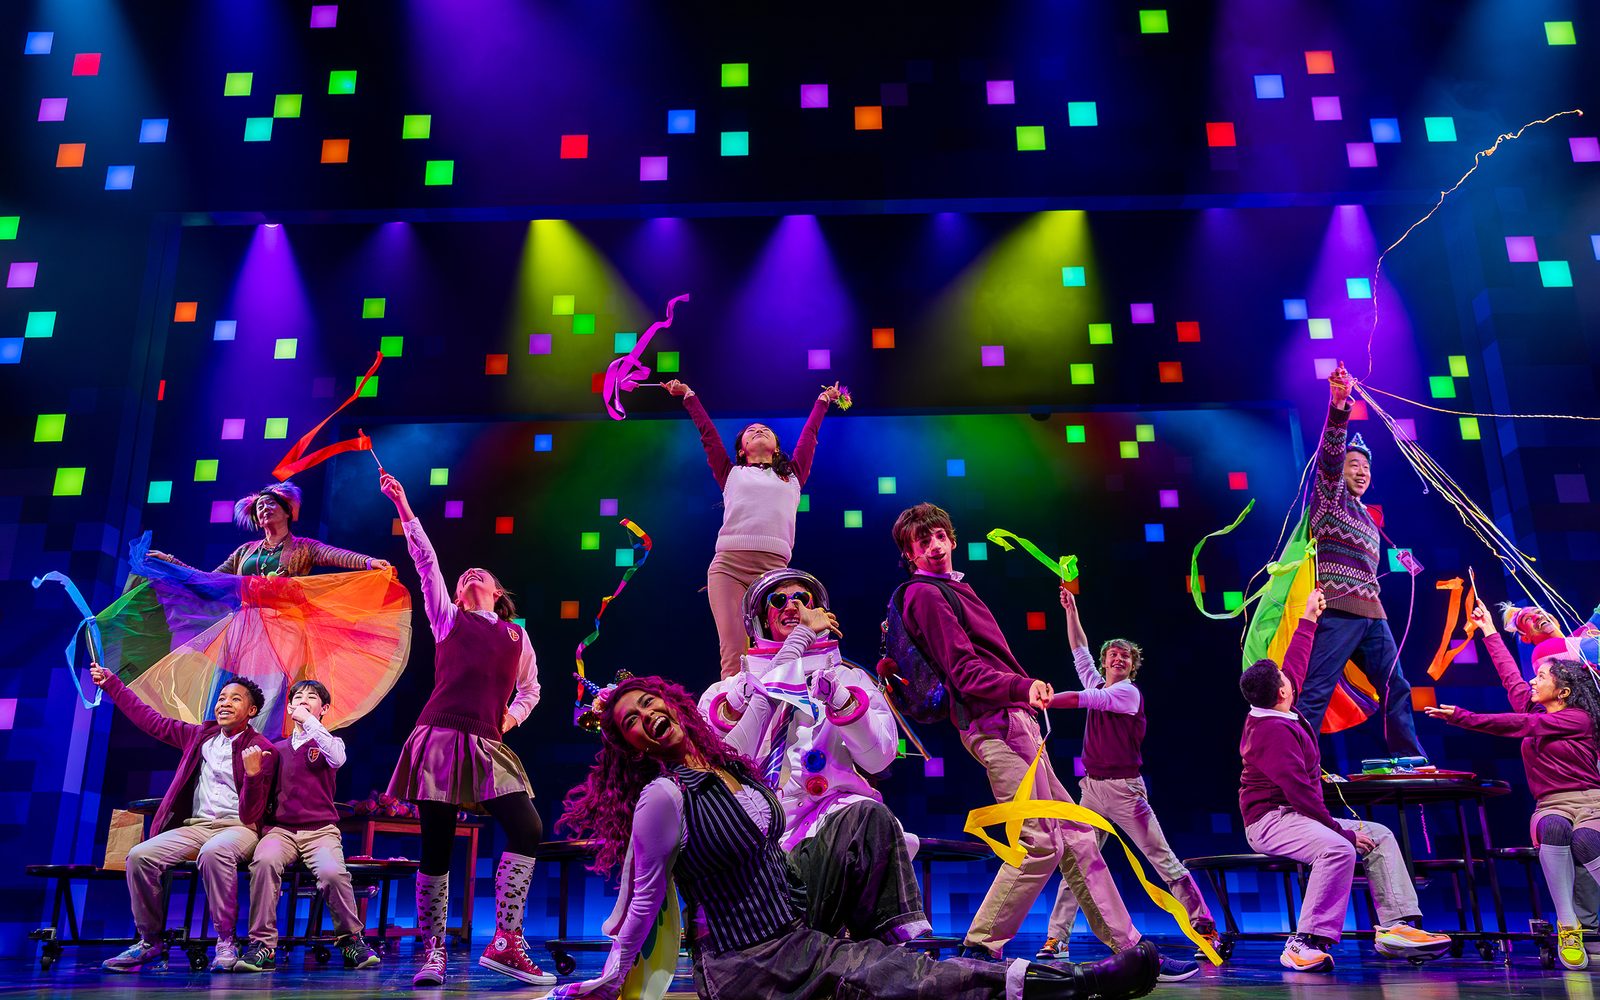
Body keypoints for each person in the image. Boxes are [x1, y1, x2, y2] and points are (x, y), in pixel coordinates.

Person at [549, 675, 1162, 1000]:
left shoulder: (728, 762)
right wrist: (613, 974)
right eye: (629, 719)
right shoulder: (663, 798)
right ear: (630, 744)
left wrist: (817, 666)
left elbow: (768, 702)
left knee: (867, 816)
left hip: (792, 911)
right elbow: (644, 897)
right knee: (920, 983)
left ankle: (906, 956)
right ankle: (1079, 986)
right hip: (753, 965)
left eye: (649, 702)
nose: (644, 715)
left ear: (674, 706)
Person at [888, 503, 1195, 981]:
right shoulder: (925, 595)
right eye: (921, 542)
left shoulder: (956, 588)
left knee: (1076, 837)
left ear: (951, 536)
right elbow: (962, 671)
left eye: (938, 536)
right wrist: (1020, 687)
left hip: (1015, 721)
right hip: (993, 723)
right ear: (910, 555)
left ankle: (1133, 951)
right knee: (1039, 842)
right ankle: (979, 948)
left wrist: (1020, 698)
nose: (933, 546)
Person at [379, 472, 552, 988]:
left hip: (486, 741)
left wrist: (509, 718)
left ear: (499, 594)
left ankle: (505, 941)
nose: (469, 575)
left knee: (528, 828)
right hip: (438, 736)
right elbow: (426, 563)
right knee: (436, 842)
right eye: (463, 576)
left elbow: (531, 691)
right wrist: (406, 507)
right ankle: (433, 950)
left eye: (482, 575)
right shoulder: (447, 619)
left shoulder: (517, 637)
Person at [701, 568, 930, 944]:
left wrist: (839, 700)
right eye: (778, 600)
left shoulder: (851, 681)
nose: (791, 605)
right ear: (761, 617)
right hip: (754, 838)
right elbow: (715, 764)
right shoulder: (726, 692)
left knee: (869, 814)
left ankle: (897, 944)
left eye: (802, 600)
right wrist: (744, 698)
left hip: (830, 825)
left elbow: (879, 760)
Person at [1238, 587, 1451, 972]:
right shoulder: (1271, 732)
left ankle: (1397, 927)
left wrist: (1309, 616)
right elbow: (1302, 794)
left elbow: (1296, 661)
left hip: (1295, 817)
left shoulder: (1277, 706)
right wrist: (1343, 831)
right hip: (1271, 821)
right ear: (1283, 692)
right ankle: (1305, 942)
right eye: (1285, 679)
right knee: (1338, 849)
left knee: (1381, 835)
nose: (1291, 678)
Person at [1037, 588, 1215, 962]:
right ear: (1105, 663)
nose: (1118, 659)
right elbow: (1079, 651)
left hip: (1125, 793)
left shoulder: (1127, 694)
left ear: (1132, 666)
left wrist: (1049, 699)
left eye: (1125, 656)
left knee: (1162, 860)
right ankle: (1057, 938)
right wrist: (1072, 611)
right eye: (1112, 655)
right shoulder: (1097, 680)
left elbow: (1087, 699)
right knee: (1077, 861)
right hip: (1091, 791)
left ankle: (1204, 929)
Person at [1426, 598, 1600, 970]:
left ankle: (1591, 925)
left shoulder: (1578, 719)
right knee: (1554, 829)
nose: (1532, 680)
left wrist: (1463, 717)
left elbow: (1519, 725)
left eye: (1541, 677)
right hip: (1551, 805)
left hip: (1593, 803)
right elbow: (1509, 675)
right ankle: (1568, 925)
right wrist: (1489, 629)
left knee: (1586, 842)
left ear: (1564, 689)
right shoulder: (1535, 706)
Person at [145, 480, 392, 737]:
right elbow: (210, 580)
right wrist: (171, 562)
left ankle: (262, 746)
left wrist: (369, 561)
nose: (264, 509)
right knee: (233, 690)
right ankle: (223, 746)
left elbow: (334, 555)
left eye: (271, 503)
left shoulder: (303, 547)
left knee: (270, 692)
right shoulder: (245, 551)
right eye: (260, 506)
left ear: (288, 511)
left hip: (283, 629)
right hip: (243, 629)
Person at [90, 667, 277, 973]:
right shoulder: (199, 735)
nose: (225, 704)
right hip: (198, 827)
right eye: (222, 698)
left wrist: (254, 775)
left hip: (239, 828)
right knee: (140, 856)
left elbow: (255, 812)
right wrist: (113, 685)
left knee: (215, 852)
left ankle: (226, 940)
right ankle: (151, 941)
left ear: (252, 710)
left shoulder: (263, 749)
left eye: (235, 699)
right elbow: (150, 720)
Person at [663, 378, 841, 681]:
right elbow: (708, 436)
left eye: (766, 429)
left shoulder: (793, 476)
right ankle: (730, 721)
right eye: (751, 430)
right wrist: (688, 395)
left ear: (776, 448)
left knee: (780, 645)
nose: (758, 429)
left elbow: (809, 435)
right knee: (734, 653)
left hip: (773, 573)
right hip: (729, 569)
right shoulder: (730, 473)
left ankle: (783, 714)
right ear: (742, 450)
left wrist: (823, 400)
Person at [1296, 365, 1427, 758]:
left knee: (1396, 686)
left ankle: (1409, 757)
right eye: (1355, 465)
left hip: (1374, 615)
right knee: (1316, 688)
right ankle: (1297, 762)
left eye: (1366, 467)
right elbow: (1330, 459)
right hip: (1338, 609)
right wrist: (1339, 407)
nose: (1361, 471)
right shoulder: (1329, 500)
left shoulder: (1368, 519)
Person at [237, 679, 380, 973]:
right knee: (263, 863)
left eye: (311, 697)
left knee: (332, 873)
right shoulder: (275, 749)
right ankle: (262, 945)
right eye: (297, 697)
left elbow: (338, 759)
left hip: (320, 830)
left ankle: (351, 940)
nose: (303, 700)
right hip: (282, 830)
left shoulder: (329, 743)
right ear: (289, 707)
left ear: (324, 708)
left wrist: (311, 723)